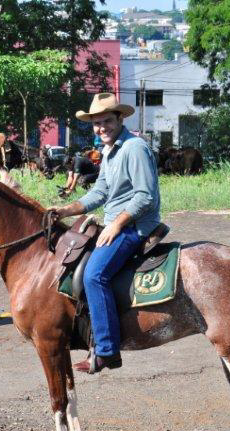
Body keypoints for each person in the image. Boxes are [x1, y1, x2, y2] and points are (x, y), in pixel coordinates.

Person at [48, 93, 160, 374]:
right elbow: (100, 192)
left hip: (135, 225)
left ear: (120, 119)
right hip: (115, 220)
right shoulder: (109, 151)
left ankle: (107, 350)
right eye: (96, 123)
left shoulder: (134, 148)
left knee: (94, 274)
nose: (101, 128)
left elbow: (144, 196)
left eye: (107, 121)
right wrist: (66, 210)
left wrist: (117, 224)